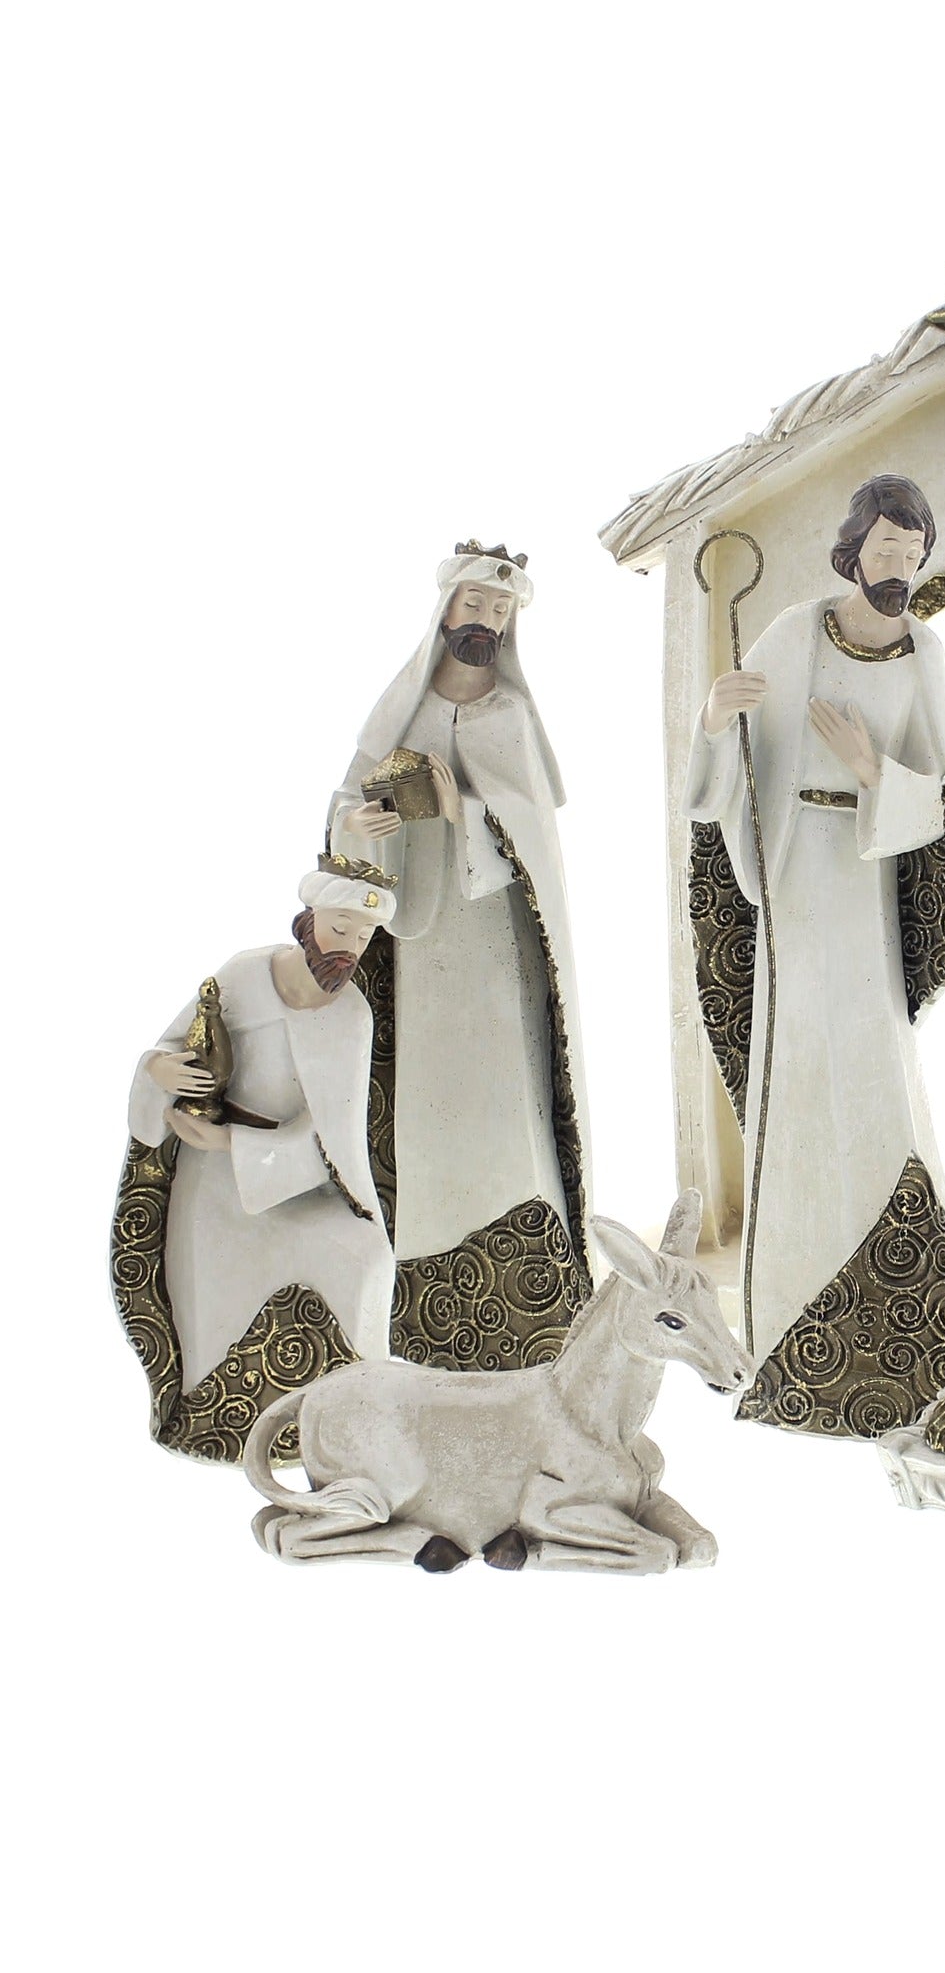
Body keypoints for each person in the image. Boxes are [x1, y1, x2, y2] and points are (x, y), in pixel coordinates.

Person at [686, 474, 945, 1438]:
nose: (900, 566)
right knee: (798, 1062)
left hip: (867, 880)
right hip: (791, 875)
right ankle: (790, 1299)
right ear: (852, 551)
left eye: (913, 552)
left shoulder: (924, 652)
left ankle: (896, 1264)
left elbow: (939, 794)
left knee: (873, 1058)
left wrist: (871, 770)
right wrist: (716, 720)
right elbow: (731, 772)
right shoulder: (791, 632)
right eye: (886, 548)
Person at [327, 540, 591, 1371]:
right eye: (475, 604)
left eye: (500, 610)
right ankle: (421, 1289)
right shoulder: (401, 708)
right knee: (427, 1106)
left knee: (505, 1099)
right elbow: (346, 804)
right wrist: (358, 827)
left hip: (496, 945)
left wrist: (464, 812)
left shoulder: (510, 716)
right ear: (445, 610)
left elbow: (536, 838)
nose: (486, 621)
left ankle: (532, 1286)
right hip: (419, 945)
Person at [114, 861, 397, 1460]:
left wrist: (239, 1146)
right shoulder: (244, 975)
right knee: (215, 1309)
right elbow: (170, 1048)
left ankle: (352, 1414)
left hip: (287, 1178)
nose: (349, 949)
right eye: (340, 929)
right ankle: (213, 1422)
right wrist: (162, 1071)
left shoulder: (351, 1018)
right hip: (214, 1185)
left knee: (365, 1255)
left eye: (363, 937)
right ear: (308, 921)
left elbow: (333, 1137)